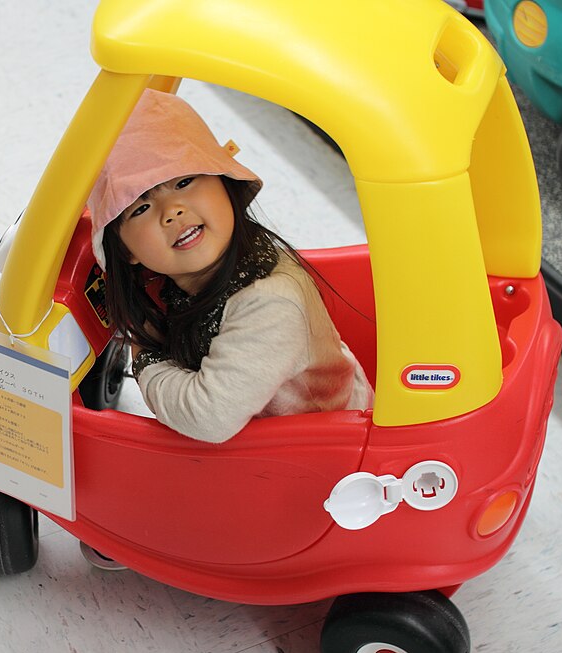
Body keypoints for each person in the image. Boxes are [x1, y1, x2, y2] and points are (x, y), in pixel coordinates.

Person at [86, 89, 373, 443]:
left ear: (224, 183)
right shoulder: (198, 271)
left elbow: (208, 418)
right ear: (127, 251)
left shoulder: (271, 305)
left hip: (326, 451)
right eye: (140, 208)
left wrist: (146, 359)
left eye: (184, 181)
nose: (171, 211)